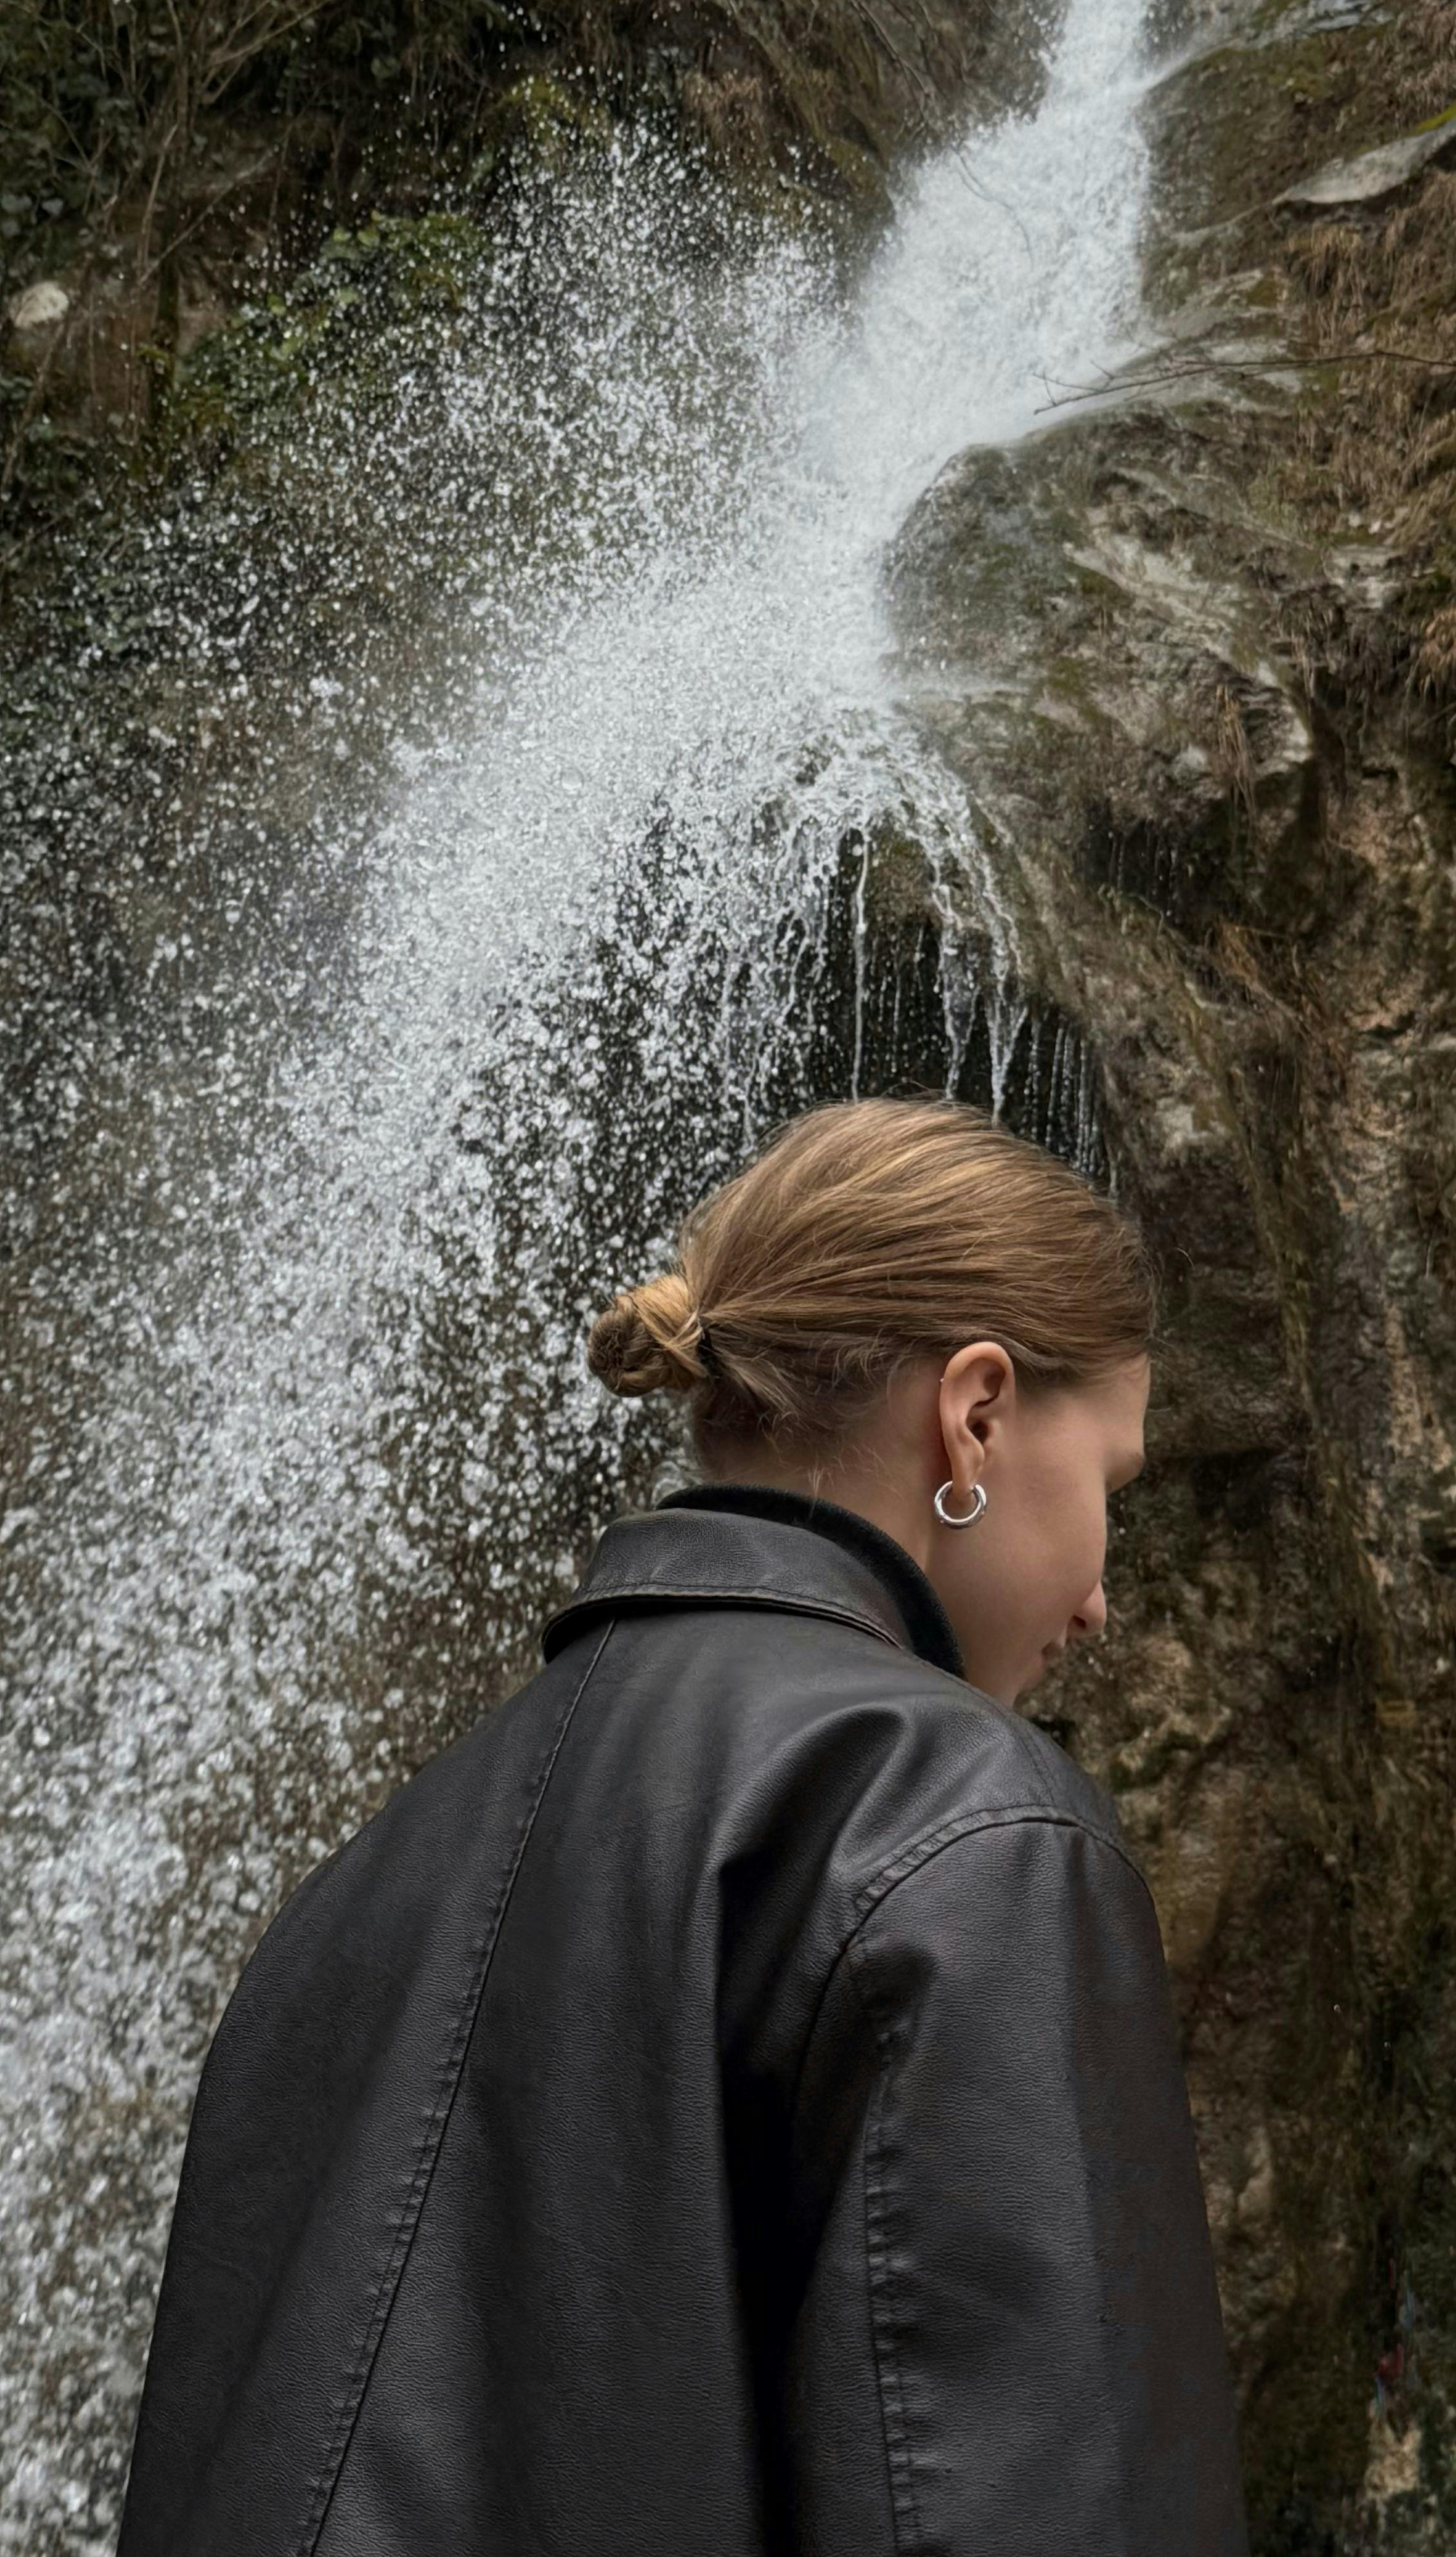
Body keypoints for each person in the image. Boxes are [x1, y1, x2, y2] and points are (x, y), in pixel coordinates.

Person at [115, 1094, 1249, 2556]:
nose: (1099, 1597)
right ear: (974, 1412)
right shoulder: (954, 1822)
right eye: (1111, 1488)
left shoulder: (368, 1879)